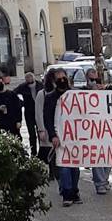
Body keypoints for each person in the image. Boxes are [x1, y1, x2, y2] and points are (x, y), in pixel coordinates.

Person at [44, 69, 82, 207]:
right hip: (60, 137)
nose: (62, 80)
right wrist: (52, 135)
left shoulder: (75, 95)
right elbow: (47, 118)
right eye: (58, 78)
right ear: (54, 81)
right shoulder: (50, 98)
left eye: (63, 77)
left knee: (75, 168)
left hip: (75, 137)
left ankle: (75, 191)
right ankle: (67, 193)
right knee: (64, 167)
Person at [83, 68, 112, 194]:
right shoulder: (83, 92)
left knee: (109, 156)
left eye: (96, 79)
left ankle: (105, 180)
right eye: (91, 79)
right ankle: (100, 183)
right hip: (93, 130)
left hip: (107, 128)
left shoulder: (105, 92)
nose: (94, 82)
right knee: (97, 157)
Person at [35, 68, 57, 179]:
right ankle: (46, 171)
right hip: (47, 127)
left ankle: (54, 172)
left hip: (58, 126)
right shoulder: (42, 94)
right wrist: (41, 129)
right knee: (47, 150)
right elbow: (38, 113)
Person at [14, 73, 39, 155]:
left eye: (30, 77)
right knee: (31, 134)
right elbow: (13, 93)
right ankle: (33, 152)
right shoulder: (23, 87)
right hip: (29, 113)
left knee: (41, 133)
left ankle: (42, 152)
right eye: (27, 78)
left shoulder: (40, 85)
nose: (28, 79)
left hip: (39, 112)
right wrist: (21, 103)